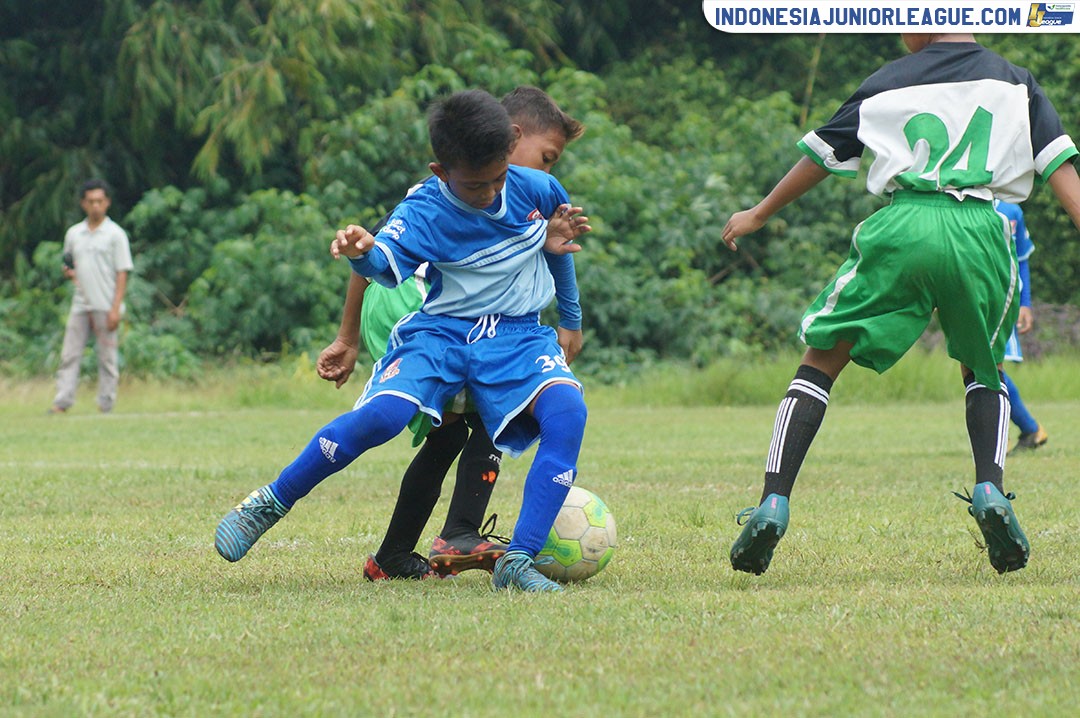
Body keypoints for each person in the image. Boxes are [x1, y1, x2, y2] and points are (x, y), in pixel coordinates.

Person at [721, 34, 1080, 576]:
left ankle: (773, 500)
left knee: (821, 360)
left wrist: (759, 212)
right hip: (980, 230)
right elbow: (1059, 171)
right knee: (984, 367)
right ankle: (990, 489)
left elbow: (822, 157)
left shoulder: (886, 80)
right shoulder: (1015, 81)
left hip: (903, 223)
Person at [215, 89, 592, 593]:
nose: (488, 194)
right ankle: (270, 501)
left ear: (508, 152)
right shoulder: (424, 208)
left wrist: (571, 317)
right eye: (475, 185)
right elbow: (382, 265)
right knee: (384, 417)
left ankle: (518, 561)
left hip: (518, 334)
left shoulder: (538, 187)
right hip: (442, 331)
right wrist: (361, 251)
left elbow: (561, 246)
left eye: (498, 178)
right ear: (441, 171)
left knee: (567, 412)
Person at [49, 179, 134, 415]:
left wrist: (116, 308)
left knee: (106, 358)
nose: (95, 206)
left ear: (107, 203)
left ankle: (106, 404)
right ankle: (62, 401)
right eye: (91, 201)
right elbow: (69, 264)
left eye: (99, 201)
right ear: (83, 204)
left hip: (106, 304)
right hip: (80, 303)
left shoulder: (115, 234)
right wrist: (69, 273)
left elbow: (122, 272)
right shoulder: (74, 233)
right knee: (69, 354)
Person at [994, 200, 1049, 454]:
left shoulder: (1010, 210)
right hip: (971, 300)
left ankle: (1003, 434)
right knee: (980, 368)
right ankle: (1029, 429)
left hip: (1003, 301)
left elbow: (1022, 259)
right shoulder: (959, 201)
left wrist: (1025, 304)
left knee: (989, 368)